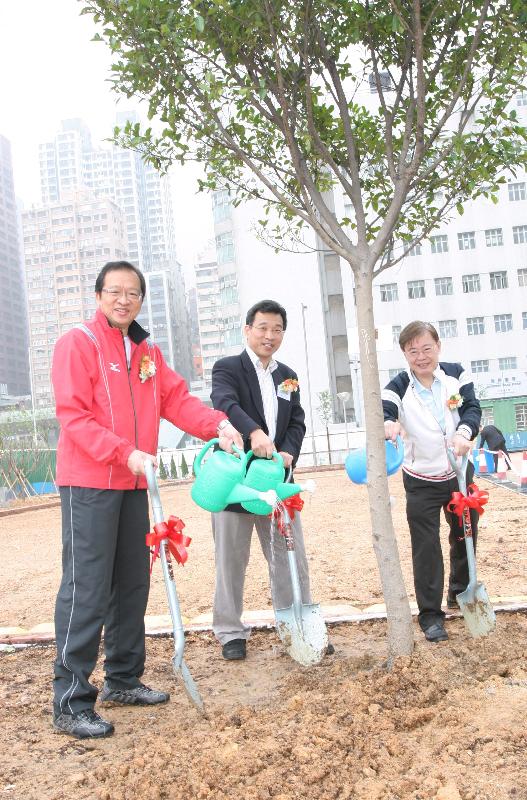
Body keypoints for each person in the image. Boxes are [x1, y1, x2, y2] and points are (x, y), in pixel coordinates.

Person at [51, 260, 243, 740]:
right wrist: (124, 452)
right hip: (91, 483)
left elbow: (176, 400)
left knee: (132, 583)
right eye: (114, 291)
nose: (123, 299)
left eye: (132, 292)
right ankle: (70, 700)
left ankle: (123, 678)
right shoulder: (79, 343)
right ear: (98, 296)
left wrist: (216, 425)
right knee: (86, 589)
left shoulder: (146, 351)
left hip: (136, 484)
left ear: (140, 299)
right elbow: (73, 417)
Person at [210, 299, 331, 661]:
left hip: (276, 480)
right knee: (231, 559)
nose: (269, 335)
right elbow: (225, 403)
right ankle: (230, 631)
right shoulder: (228, 368)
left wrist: (289, 450)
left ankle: (296, 623)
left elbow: (297, 420)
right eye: (262, 327)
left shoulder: (287, 375)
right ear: (247, 330)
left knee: (290, 556)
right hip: (235, 480)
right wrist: (255, 433)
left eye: (277, 329)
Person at [382, 321, 481, 643]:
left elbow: (472, 409)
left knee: (465, 533)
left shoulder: (456, 374)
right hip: (420, 477)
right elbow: (387, 409)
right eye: (413, 351)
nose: (421, 357)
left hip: (458, 470)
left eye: (427, 348)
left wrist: (464, 433)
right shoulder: (397, 385)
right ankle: (430, 615)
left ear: (438, 346)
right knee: (426, 547)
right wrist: (389, 424)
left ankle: (461, 591)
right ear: (404, 353)